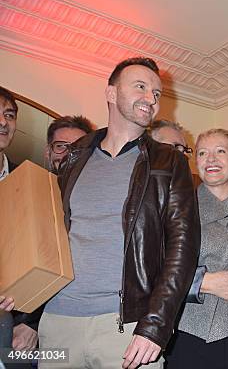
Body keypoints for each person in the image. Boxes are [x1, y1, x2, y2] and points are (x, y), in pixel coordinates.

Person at [36, 57, 200, 369]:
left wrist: (155, 327)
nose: (151, 98)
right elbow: (46, 234)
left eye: (156, 93)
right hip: (58, 323)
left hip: (127, 328)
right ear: (111, 93)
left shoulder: (169, 162)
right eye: (141, 86)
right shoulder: (72, 158)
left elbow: (183, 249)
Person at [165, 128, 228, 368]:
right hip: (191, 331)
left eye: (220, 151)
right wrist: (203, 282)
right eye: (202, 153)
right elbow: (154, 268)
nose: (210, 159)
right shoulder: (176, 210)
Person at [0, 87, 42, 369]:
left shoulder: (30, 183)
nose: (3, 122)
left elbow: (48, 258)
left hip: (13, 336)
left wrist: (31, 322)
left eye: (9, 115)